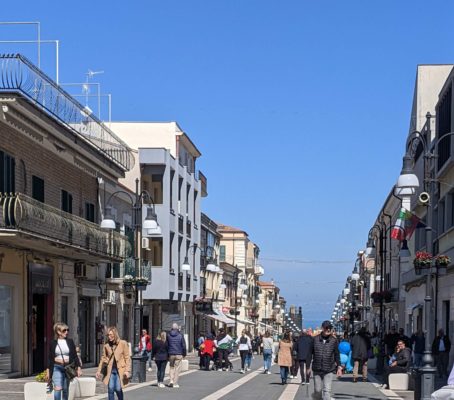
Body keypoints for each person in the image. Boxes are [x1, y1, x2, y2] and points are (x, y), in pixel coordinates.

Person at [47, 322, 82, 400]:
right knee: (58, 387)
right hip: (57, 367)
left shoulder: (70, 341)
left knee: (65, 389)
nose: (67, 332)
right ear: (58, 332)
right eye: (64, 330)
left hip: (67, 368)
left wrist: (78, 367)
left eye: (67, 330)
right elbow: (50, 358)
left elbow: (75, 356)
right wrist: (48, 371)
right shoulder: (53, 343)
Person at [96, 326, 131, 400]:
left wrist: (127, 370)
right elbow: (103, 358)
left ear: (115, 334)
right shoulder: (106, 345)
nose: (109, 337)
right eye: (108, 335)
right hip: (110, 370)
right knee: (111, 389)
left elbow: (127, 358)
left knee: (118, 389)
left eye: (111, 335)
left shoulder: (123, 343)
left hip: (120, 370)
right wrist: (99, 371)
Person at [310, 320, 342, 400]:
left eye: (330, 328)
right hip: (317, 369)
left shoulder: (334, 340)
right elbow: (309, 353)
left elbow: (337, 354)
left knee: (327, 391)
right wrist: (307, 366)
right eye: (326, 328)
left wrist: (339, 366)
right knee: (317, 391)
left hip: (329, 369)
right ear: (322, 328)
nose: (328, 330)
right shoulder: (315, 339)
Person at [166, 323, 186, 388]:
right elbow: (183, 345)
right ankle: (175, 383)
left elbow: (167, 345)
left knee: (171, 367)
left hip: (171, 353)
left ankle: (171, 381)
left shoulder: (168, 335)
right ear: (177, 328)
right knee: (177, 369)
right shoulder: (180, 335)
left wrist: (167, 353)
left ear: (171, 328)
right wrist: (184, 354)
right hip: (179, 353)